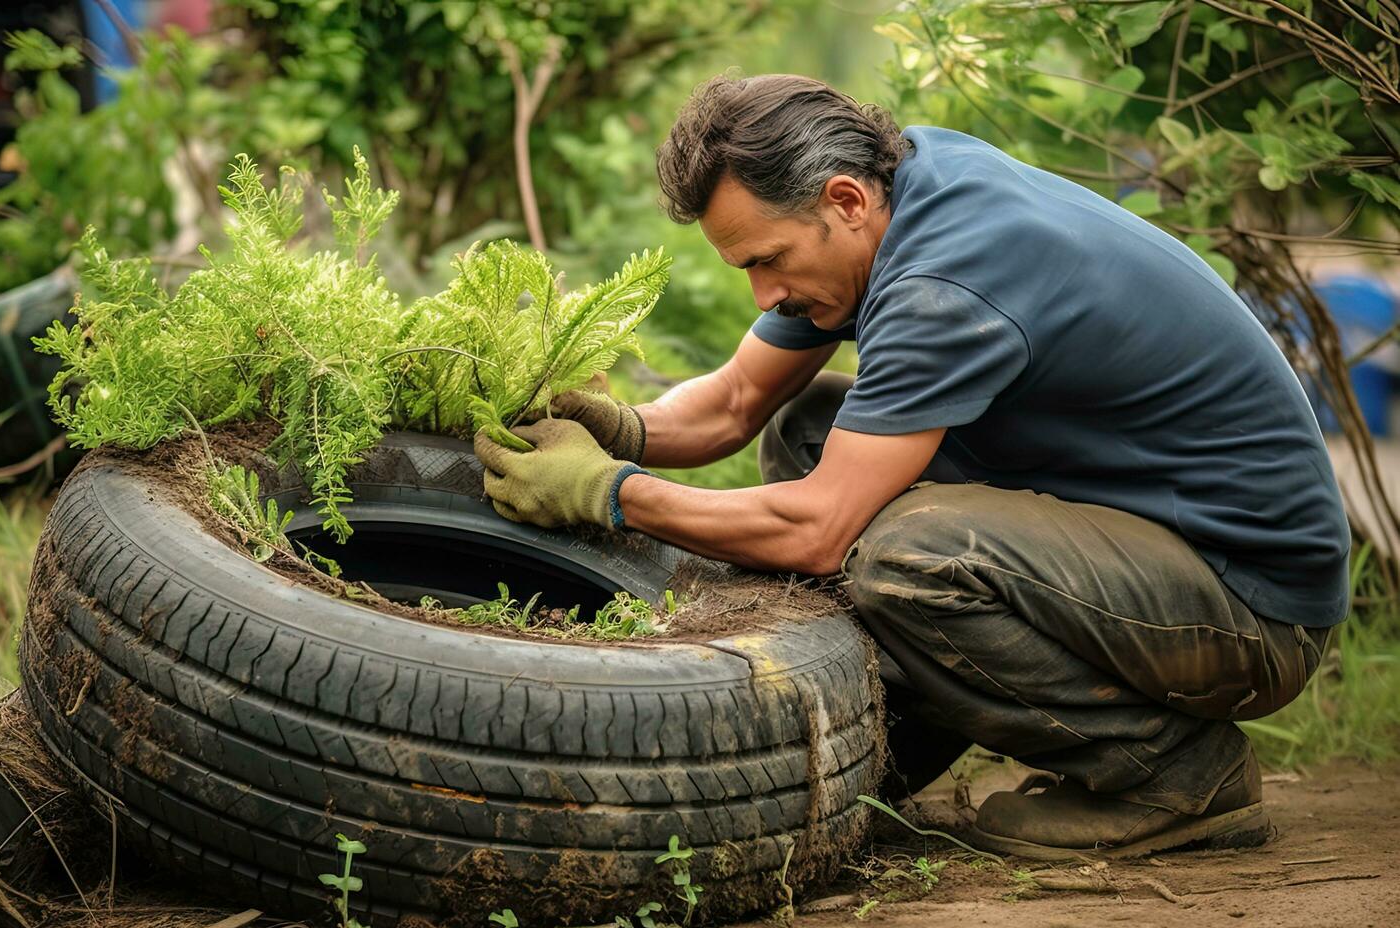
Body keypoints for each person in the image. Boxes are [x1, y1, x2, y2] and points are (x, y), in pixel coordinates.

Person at [474, 74, 1349, 859]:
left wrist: (606, 493)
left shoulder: (946, 277)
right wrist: (617, 425)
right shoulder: (903, 198)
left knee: (906, 557)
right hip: (1142, 542)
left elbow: (819, 533)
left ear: (845, 199)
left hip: (1249, 608)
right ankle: (884, 736)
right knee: (815, 426)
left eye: (769, 261)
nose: (764, 295)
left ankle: (1175, 773)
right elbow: (737, 401)